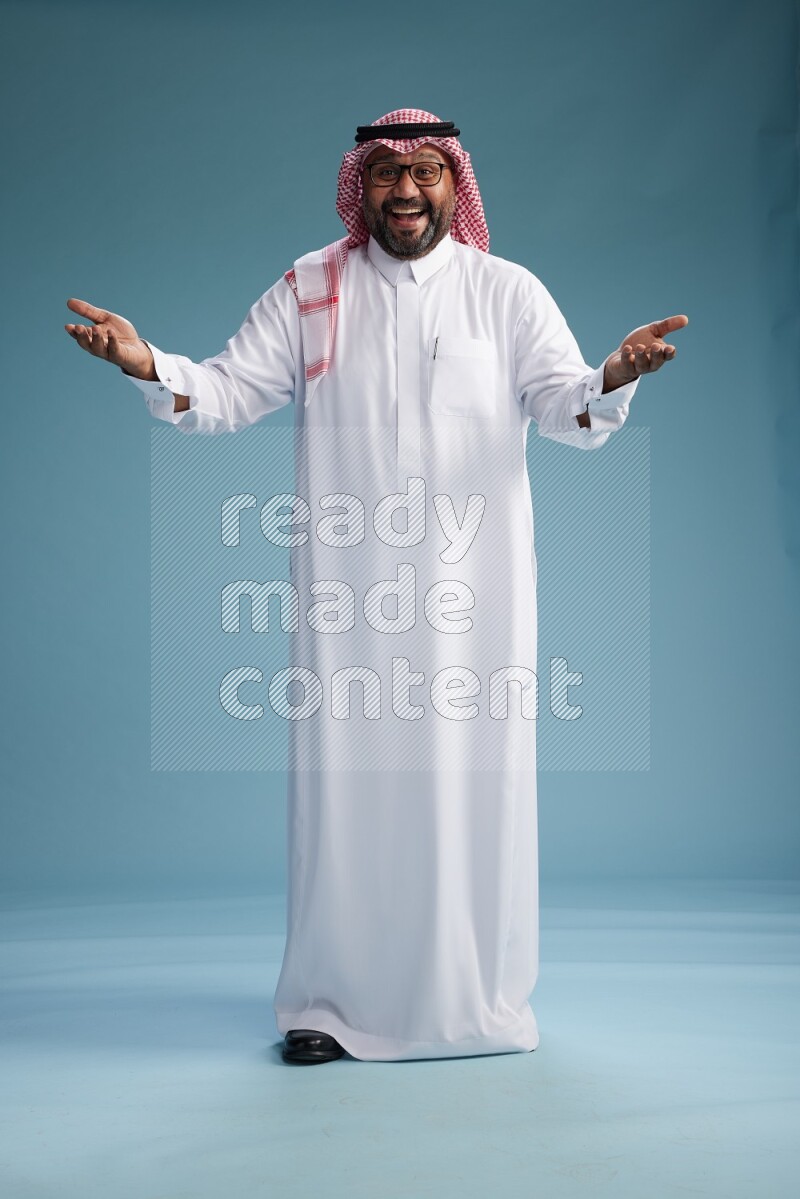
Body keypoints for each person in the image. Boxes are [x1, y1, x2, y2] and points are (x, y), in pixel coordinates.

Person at [65, 108, 687, 1066]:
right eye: (390, 173)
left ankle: (473, 1003)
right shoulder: (313, 287)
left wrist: (615, 372)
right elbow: (226, 393)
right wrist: (145, 363)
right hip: (347, 597)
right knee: (345, 796)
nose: (407, 190)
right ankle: (328, 1005)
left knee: (469, 794)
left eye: (427, 172)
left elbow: (570, 408)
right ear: (364, 185)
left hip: (473, 603)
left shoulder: (505, 293)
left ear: (455, 185)